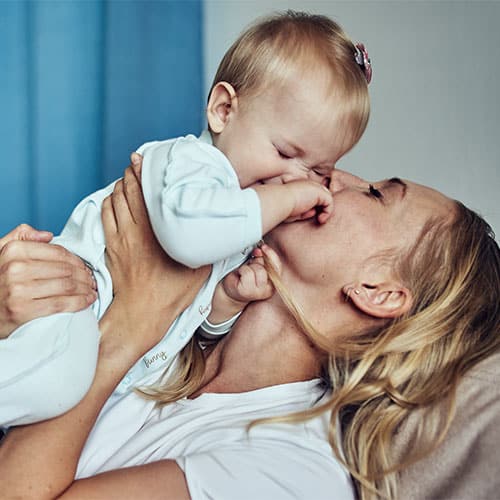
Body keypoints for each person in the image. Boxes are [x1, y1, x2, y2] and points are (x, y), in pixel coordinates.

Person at [1, 164, 498, 500]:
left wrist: (131, 325)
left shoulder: (292, 475)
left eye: (376, 194)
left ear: (378, 292)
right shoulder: (177, 316)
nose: (334, 174)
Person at [0, 10, 372, 427]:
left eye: (319, 172)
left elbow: (189, 319)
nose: (295, 179)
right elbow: (189, 239)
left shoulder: (243, 217)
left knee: (54, 393)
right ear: (224, 110)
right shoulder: (191, 163)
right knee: (56, 383)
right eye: (286, 153)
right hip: (69, 299)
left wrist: (226, 303)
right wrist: (290, 197)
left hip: (104, 338)